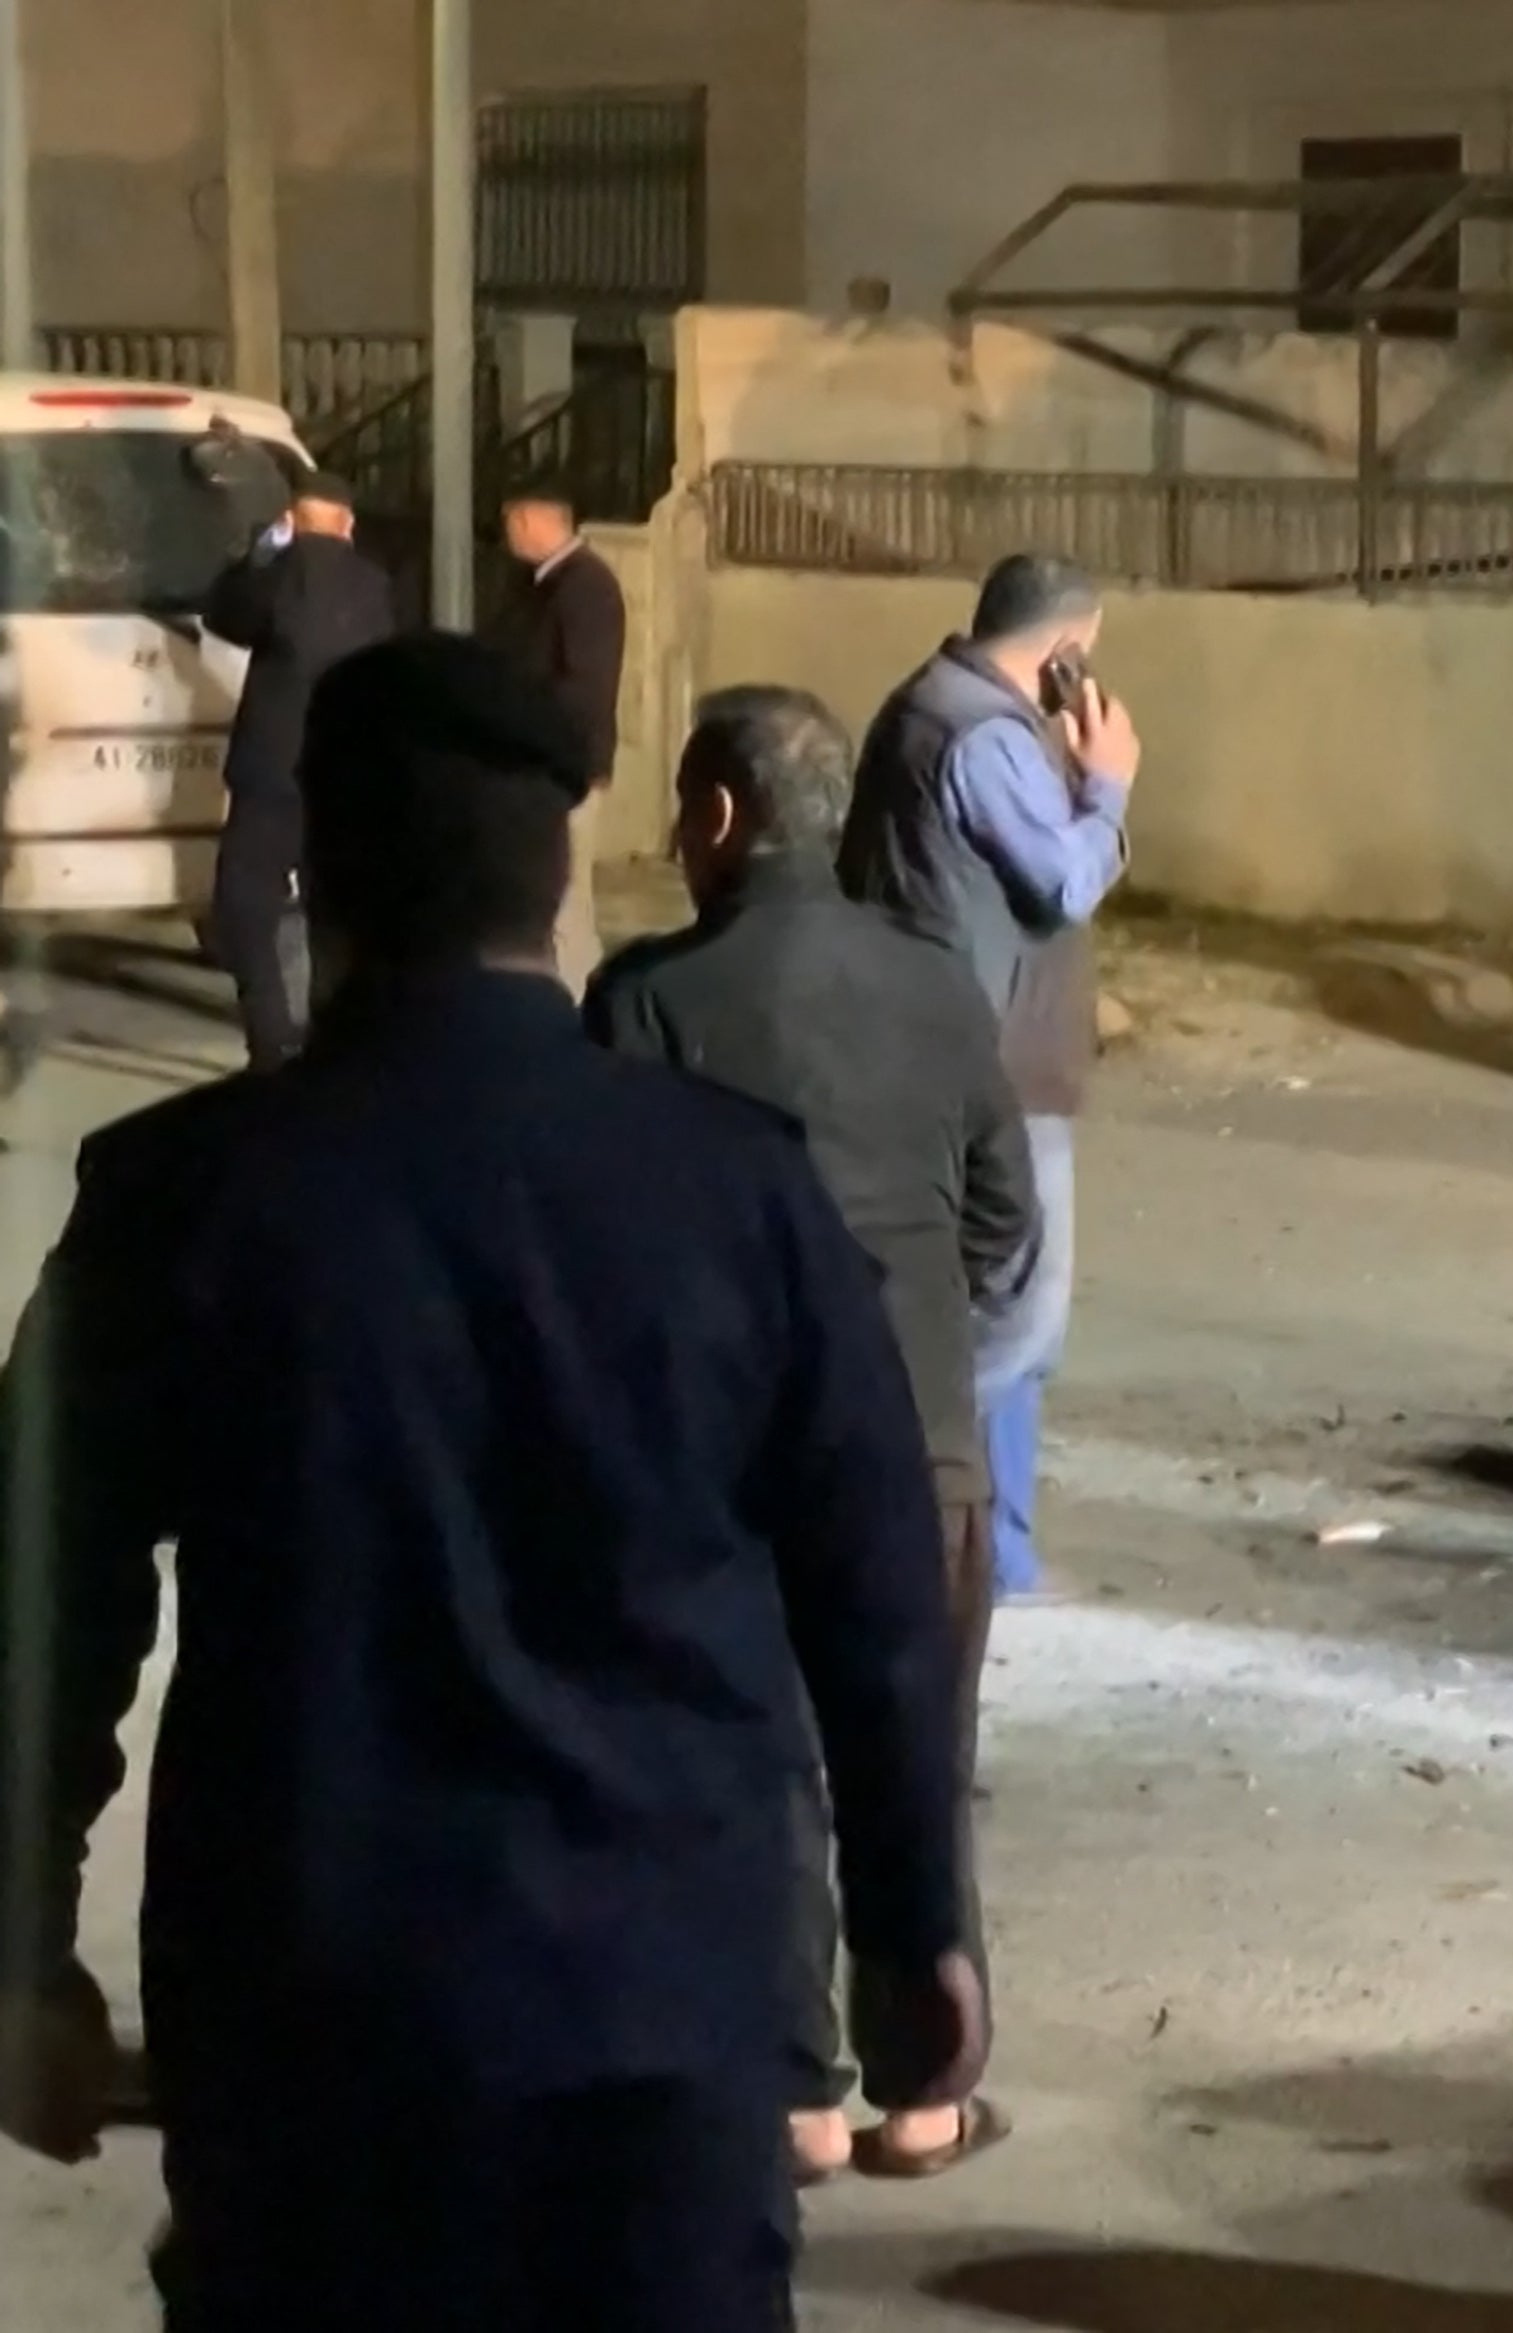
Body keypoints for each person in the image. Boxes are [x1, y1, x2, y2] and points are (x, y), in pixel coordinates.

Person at [0, 634, 980, 2325]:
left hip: (305, 2057)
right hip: (656, 2046)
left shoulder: (178, 1198)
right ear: (555, 880)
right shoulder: (738, 1199)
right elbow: (880, 1597)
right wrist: (913, 1939)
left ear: (316, 873)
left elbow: (41, 1603)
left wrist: (22, 1946)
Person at [586, 684, 1038, 2186]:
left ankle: (794, 2098)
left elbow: (622, 1236)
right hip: (920, 1439)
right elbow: (1001, 1222)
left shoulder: (648, 998)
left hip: (731, 1457)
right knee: (921, 1758)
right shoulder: (938, 986)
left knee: (766, 1765)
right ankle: (926, 2092)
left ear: (717, 819)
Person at [844, 554, 1136, 1606]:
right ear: (1063, 650)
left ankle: (998, 1546)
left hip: (949, 1048)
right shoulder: (982, 737)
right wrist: (1106, 784)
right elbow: (1062, 881)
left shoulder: (927, 703)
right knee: (1015, 1316)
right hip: (992, 1067)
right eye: (1086, 655)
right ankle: (903, 1499)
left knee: (996, 1307)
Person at [200, 460, 394, 1068]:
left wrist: (260, 553)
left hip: (272, 773)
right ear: (349, 524)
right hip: (345, 771)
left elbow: (224, 616)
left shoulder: (278, 574)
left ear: (293, 520)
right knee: (333, 907)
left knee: (246, 903)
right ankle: (337, 1032)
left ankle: (270, 1036)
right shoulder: (374, 583)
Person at [487, 476, 630, 994]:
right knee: (546, 900)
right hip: (539, 766)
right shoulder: (539, 584)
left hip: (562, 767)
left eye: (511, 522)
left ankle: (578, 1008)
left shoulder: (583, 586)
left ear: (532, 519)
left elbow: (582, 687)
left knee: (567, 905)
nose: (507, 535)